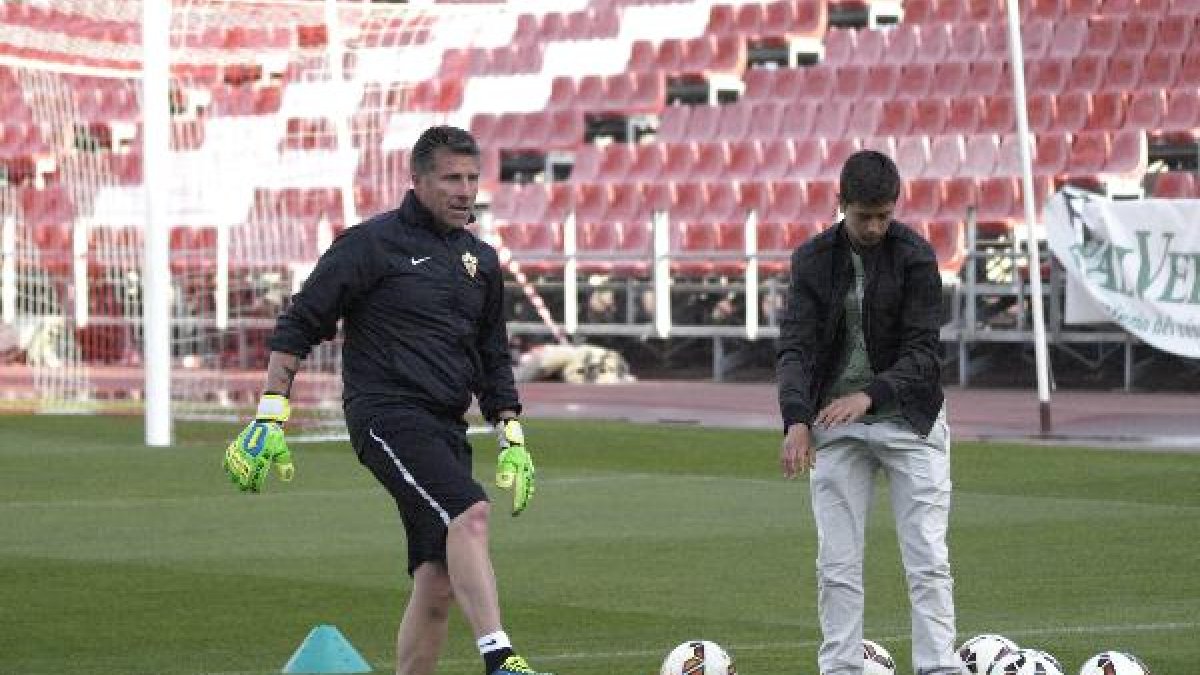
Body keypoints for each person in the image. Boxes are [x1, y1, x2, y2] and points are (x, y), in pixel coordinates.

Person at [223, 126, 550, 675]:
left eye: (472, 178)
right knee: (470, 513)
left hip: (447, 426)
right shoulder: (370, 244)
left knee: (438, 580)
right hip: (386, 416)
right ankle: (500, 657)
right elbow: (300, 322)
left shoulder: (481, 261)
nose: (464, 190)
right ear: (417, 180)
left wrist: (510, 432)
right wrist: (270, 413)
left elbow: (493, 356)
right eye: (451, 178)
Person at [776, 150, 957, 675]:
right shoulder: (811, 260)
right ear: (841, 204)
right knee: (836, 565)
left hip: (911, 421)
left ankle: (938, 668)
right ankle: (839, 669)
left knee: (927, 559)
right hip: (835, 427)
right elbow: (796, 347)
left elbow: (924, 353)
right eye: (864, 216)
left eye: (884, 214)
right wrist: (795, 420)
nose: (876, 226)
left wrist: (869, 396)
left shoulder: (917, 257)